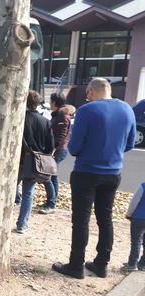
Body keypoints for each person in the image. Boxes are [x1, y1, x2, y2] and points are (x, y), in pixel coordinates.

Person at [53, 78, 136, 279]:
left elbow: (74, 148)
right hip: (113, 172)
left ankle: (76, 265)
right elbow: (130, 143)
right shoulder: (127, 109)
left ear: (90, 92)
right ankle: (101, 264)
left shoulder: (87, 110)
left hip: (86, 172)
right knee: (105, 218)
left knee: (81, 220)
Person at [14, 90, 54, 234]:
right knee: (28, 193)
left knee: (10, 190)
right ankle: (22, 223)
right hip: (36, 162)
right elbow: (50, 146)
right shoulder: (46, 122)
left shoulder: (19, 118)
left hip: (18, 160)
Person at [39, 93, 74, 214]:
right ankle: (51, 201)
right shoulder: (59, 115)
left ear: (55, 102)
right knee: (53, 176)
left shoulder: (62, 117)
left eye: (50, 101)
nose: (49, 104)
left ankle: (51, 203)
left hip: (58, 150)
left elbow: (61, 136)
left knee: (48, 175)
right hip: (58, 149)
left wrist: (53, 149)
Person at [121, 181, 145, 272]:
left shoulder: (143, 186)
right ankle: (143, 264)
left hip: (139, 218)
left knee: (136, 241)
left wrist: (129, 214)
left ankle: (132, 264)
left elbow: (134, 202)